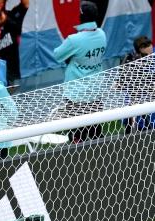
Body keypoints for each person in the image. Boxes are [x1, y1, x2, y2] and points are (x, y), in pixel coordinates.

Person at [53, 1, 108, 143]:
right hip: (96, 92)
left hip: (76, 95)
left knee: (77, 135)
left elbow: (57, 55)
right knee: (96, 132)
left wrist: (71, 55)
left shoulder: (74, 40)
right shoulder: (102, 35)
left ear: (81, 16)